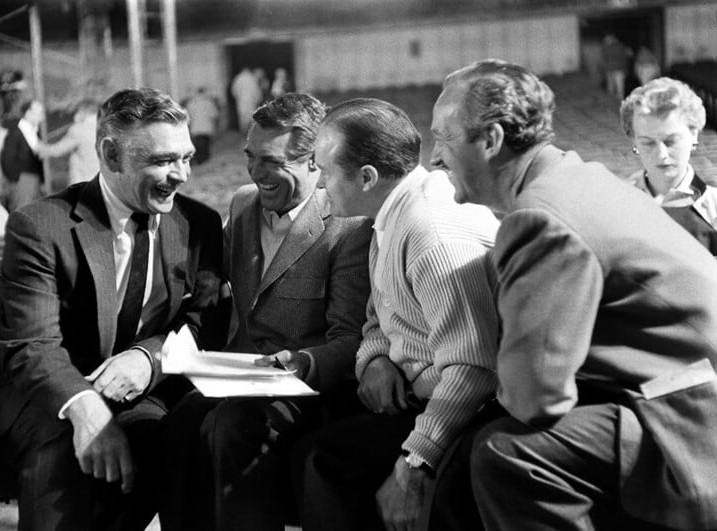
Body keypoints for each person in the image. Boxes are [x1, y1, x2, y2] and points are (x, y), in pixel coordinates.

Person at [430, 59, 717, 530]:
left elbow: (535, 397)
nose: (434, 159)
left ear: (491, 141)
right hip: (681, 391)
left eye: (443, 139)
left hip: (691, 419)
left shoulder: (540, 216)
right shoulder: (576, 175)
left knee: (505, 453)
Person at [0, 88, 224, 531]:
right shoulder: (40, 225)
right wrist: (85, 407)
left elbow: (205, 320)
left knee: (170, 439)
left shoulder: (199, 224)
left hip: (137, 389)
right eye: (164, 160)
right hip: (40, 388)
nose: (182, 174)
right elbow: (32, 345)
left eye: (187, 157)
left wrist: (149, 358)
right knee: (62, 448)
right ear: (110, 154)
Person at [160, 92, 372, 531]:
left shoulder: (348, 227)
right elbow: (211, 279)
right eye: (250, 157)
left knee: (233, 427)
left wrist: (302, 361)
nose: (256, 173)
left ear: (314, 162)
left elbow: (350, 338)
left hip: (305, 391)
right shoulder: (243, 204)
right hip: (237, 377)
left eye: (272, 162)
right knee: (178, 422)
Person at [292, 98, 501, 531]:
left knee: (324, 463)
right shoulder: (390, 213)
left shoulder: (431, 234)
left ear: (367, 177)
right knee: (303, 440)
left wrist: (414, 462)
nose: (321, 186)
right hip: (418, 390)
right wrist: (375, 359)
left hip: (471, 410)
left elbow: (473, 368)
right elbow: (379, 315)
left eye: (327, 172)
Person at [620, 77, 716, 254]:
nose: (661, 155)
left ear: (694, 135)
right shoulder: (617, 201)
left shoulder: (713, 207)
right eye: (648, 143)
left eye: (671, 141)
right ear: (634, 141)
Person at [37, 99, 99, 186]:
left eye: (78, 111)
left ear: (83, 111)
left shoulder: (79, 129)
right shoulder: (107, 129)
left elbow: (57, 150)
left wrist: (38, 147)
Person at [0, 99, 45, 211]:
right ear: (28, 113)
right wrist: (20, 179)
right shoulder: (14, 133)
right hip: (22, 183)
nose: (42, 117)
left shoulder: (35, 132)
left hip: (34, 181)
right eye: (39, 113)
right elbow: (7, 161)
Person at [185, 88, 220, 165]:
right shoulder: (209, 102)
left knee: (198, 147)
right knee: (205, 148)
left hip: (195, 129)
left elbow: (188, 117)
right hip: (207, 129)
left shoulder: (191, 103)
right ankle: (205, 162)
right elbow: (215, 115)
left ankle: (199, 162)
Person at [231, 67, 263, 133]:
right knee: (251, 117)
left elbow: (233, 91)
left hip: (241, 102)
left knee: (242, 118)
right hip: (251, 101)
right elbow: (257, 92)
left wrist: (238, 97)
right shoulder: (252, 78)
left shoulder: (238, 78)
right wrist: (258, 100)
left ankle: (244, 133)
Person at [602, 34, 631, 99]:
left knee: (619, 88)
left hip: (618, 70)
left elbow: (624, 58)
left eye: (607, 40)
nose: (606, 41)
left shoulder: (619, 47)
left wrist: (624, 69)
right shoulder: (607, 47)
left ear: (612, 39)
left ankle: (619, 101)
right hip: (610, 70)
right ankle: (611, 101)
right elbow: (605, 59)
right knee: (611, 88)